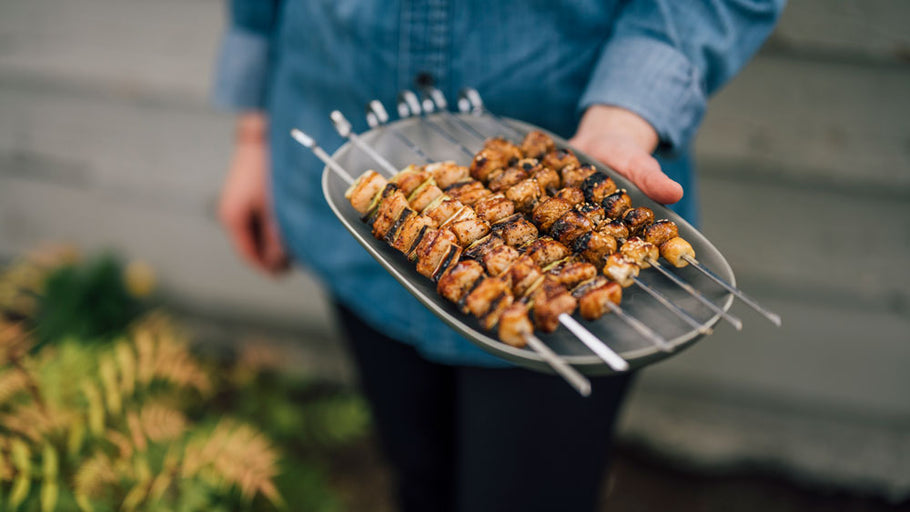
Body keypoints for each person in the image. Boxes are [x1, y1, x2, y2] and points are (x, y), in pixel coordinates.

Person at [214, 1, 784, 510]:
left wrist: (626, 109)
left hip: (581, 148)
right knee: (417, 479)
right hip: (347, 189)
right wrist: (254, 136)